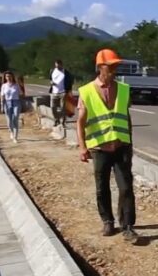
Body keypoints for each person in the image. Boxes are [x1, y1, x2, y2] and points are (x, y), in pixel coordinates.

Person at [76, 49, 140, 244]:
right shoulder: (86, 91)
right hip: (99, 148)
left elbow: (126, 117)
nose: (114, 69)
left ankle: (128, 226)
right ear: (100, 67)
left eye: (115, 65)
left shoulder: (123, 88)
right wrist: (82, 147)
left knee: (126, 187)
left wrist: (129, 140)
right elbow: (80, 121)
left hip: (121, 146)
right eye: (110, 66)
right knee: (101, 188)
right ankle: (108, 221)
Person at [0, 70, 21, 143]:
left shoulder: (16, 85)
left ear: (12, 77)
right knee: (9, 121)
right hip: (7, 102)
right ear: (5, 77)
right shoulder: (4, 86)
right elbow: (2, 96)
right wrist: (2, 105)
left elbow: (20, 94)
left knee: (15, 118)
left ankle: (15, 137)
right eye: (7, 76)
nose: (8, 78)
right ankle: (11, 131)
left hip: (16, 102)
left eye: (10, 76)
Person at [49, 59, 68, 129]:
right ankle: (56, 119)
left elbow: (70, 80)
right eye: (56, 66)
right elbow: (50, 78)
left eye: (59, 66)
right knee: (53, 107)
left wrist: (68, 90)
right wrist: (51, 82)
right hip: (54, 92)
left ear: (61, 64)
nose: (57, 67)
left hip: (62, 92)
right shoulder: (52, 71)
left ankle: (63, 121)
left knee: (63, 107)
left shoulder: (65, 72)